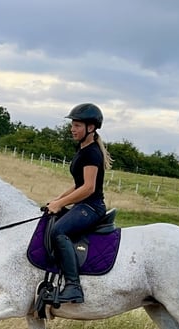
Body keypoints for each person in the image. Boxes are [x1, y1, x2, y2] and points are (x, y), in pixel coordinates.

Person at [46, 103, 113, 303]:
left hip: (91, 207)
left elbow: (89, 188)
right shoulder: (82, 149)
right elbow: (78, 185)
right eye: (72, 125)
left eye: (77, 125)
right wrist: (57, 200)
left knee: (59, 231)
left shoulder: (92, 152)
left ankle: (74, 286)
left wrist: (61, 204)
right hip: (83, 205)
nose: (72, 129)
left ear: (90, 128)